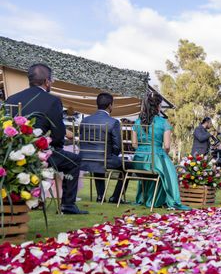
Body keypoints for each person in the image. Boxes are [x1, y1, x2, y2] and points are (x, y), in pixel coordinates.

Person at [5, 63, 86, 214]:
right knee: (74, 161)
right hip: (38, 154)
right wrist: (56, 147)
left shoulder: (11, 98)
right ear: (47, 81)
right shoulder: (52, 101)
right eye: (52, 81)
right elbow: (58, 133)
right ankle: (68, 205)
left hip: (11, 156)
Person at [132, 92, 189, 210]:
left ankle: (149, 198)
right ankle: (169, 200)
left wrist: (143, 151)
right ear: (158, 106)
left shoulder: (137, 122)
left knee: (159, 168)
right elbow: (167, 146)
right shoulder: (163, 122)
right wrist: (164, 155)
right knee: (170, 170)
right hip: (155, 157)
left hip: (138, 161)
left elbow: (134, 144)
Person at [79, 92, 129, 203]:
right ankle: (115, 197)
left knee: (99, 159)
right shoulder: (113, 122)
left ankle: (100, 196)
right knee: (128, 166)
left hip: (85, 159)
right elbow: (118, 146)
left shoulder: (85, 120)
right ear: (110, 105)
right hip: (105, 158)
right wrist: (113, 155)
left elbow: (82, 141)